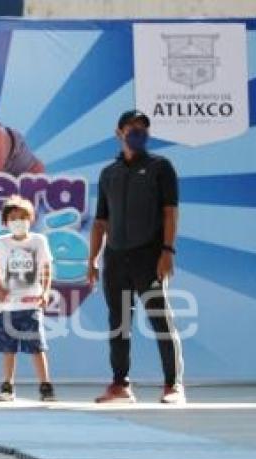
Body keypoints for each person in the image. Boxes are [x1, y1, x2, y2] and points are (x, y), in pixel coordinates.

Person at [87, 110, 185, 404]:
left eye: (143, 128)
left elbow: (170, 212)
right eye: (132, 127)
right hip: (116, 259)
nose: (138, 132)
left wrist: (167, 251)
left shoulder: (160, 167)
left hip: (149, 256)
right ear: (119, 133)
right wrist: (92, 259)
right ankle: (120, 385)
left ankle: (173, 385)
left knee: (160, 319)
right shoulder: (108, 173)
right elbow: (100, 221)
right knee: (119, 323)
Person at [0, 196, 56, 402]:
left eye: (23, 217)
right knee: (8, 348)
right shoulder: (2, 242)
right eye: (14, 217)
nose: (19, 221)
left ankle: (45, 386)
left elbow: (46, 267)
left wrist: (45, 292)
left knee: (37, 347)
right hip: (8, 305)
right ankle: (8, 385)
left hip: (31, 302)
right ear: (6, 221)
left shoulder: (38, 241)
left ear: (31, 219)